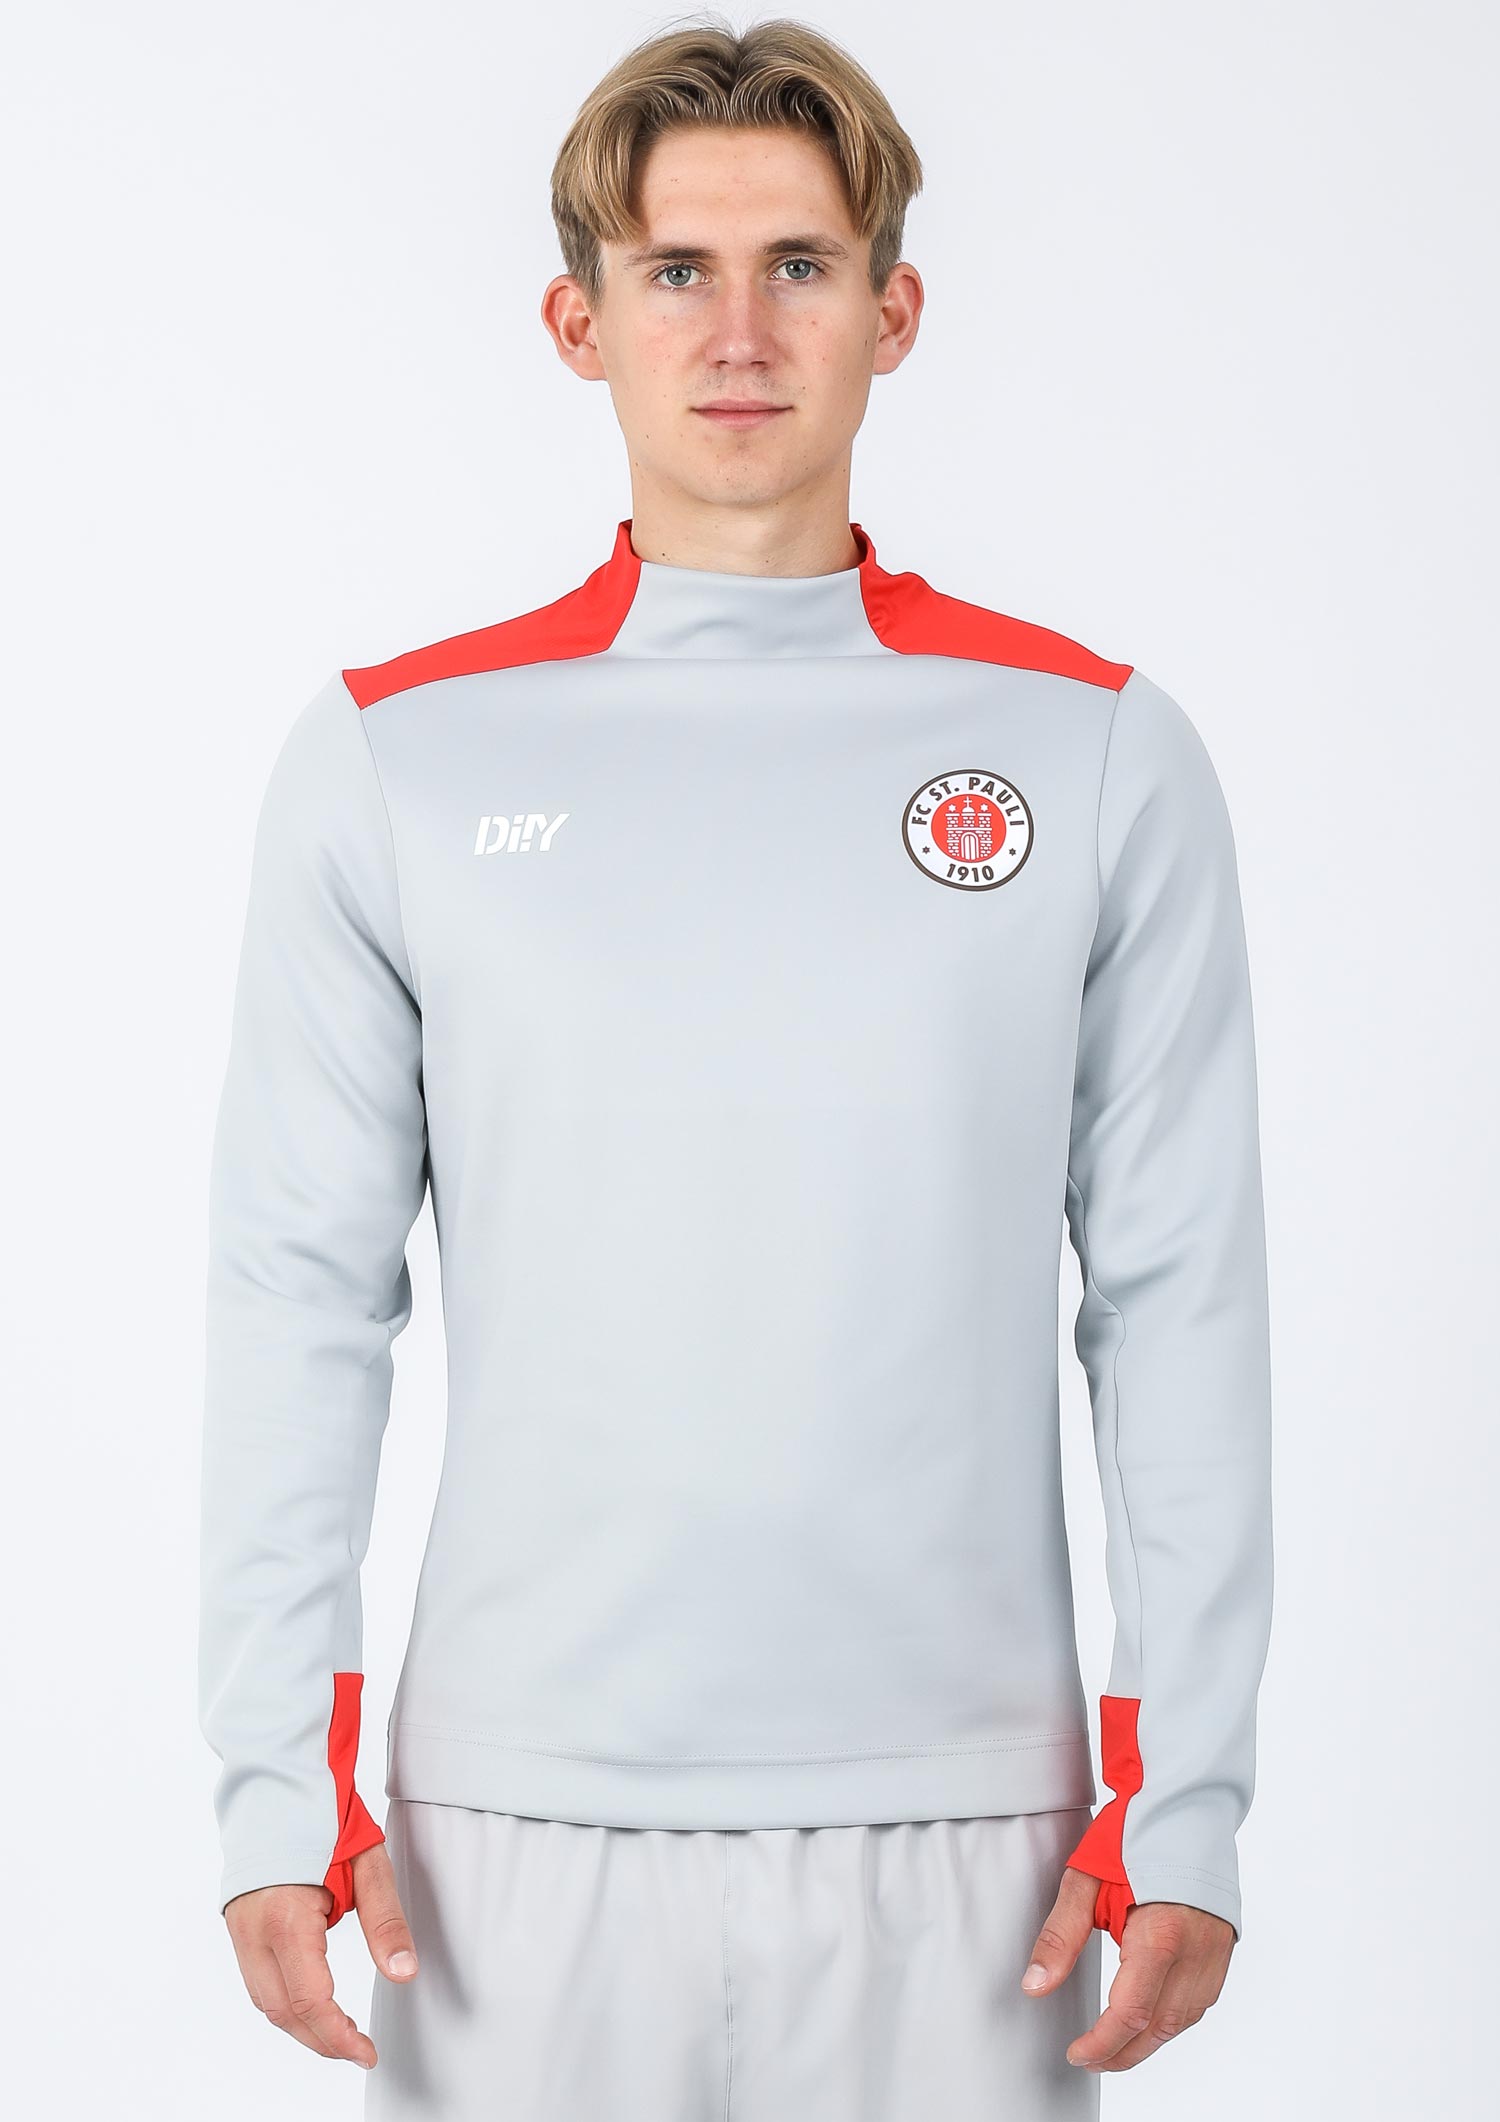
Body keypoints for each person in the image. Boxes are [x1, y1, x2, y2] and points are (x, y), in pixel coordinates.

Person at [197, 16, 1274, 2118]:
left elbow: (1178, 1300)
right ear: (578, 322)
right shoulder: (401, 759)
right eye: (676, 269)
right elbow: (299, 1293)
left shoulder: (1093, 753)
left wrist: (1190, 1793)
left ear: (895, 311)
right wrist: (272, 1776)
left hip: (972, 1833)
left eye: (801, 263)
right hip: (512, 1835)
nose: (741, 329)